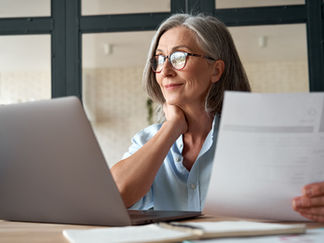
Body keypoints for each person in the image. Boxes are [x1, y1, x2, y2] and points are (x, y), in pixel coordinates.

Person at [111, 13, 324, 223]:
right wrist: (172, 127)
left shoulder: (259, 137)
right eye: (159, 59)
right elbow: (114, 197)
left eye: (179, 57)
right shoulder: (147, 140)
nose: (164, 70)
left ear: (216, 70)